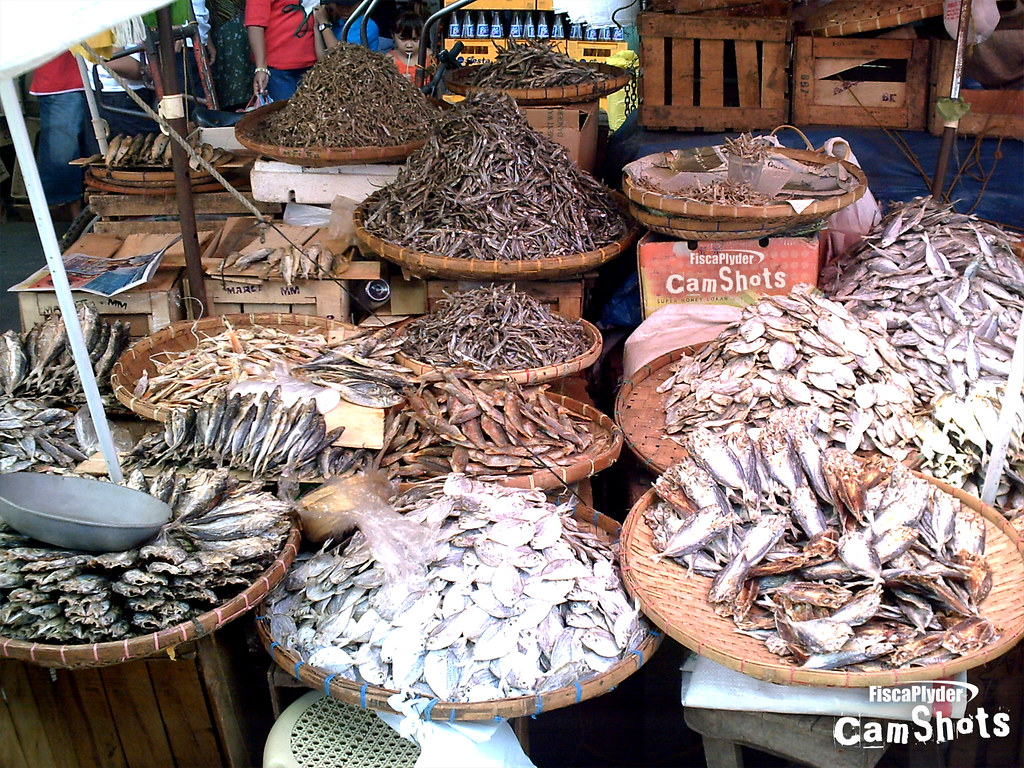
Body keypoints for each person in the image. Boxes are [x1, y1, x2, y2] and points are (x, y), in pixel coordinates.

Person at [29, 51, 100, 220]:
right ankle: (75, 220)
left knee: (100, 152)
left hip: (102, 78)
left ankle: (82, 219)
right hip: (62, 77)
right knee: (64, 155)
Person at [245, 0, 319, 102]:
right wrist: (261, 68)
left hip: (314, 65)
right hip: (277, 69)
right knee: (285, 114)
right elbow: (255, 24)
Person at [312, 1, 380, 54]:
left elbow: (341, 56)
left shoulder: (367, 26)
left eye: (349, 5)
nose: (344, 9)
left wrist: (324, 24)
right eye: (339, 5)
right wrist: (317, 26)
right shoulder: (338, 22)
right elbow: (322, 59)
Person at [386, 11, 431, 84]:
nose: (409, 45)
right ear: (393, 35)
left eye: (415, 39)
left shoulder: (428, 56)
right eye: (403, 39)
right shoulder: (390, 59)